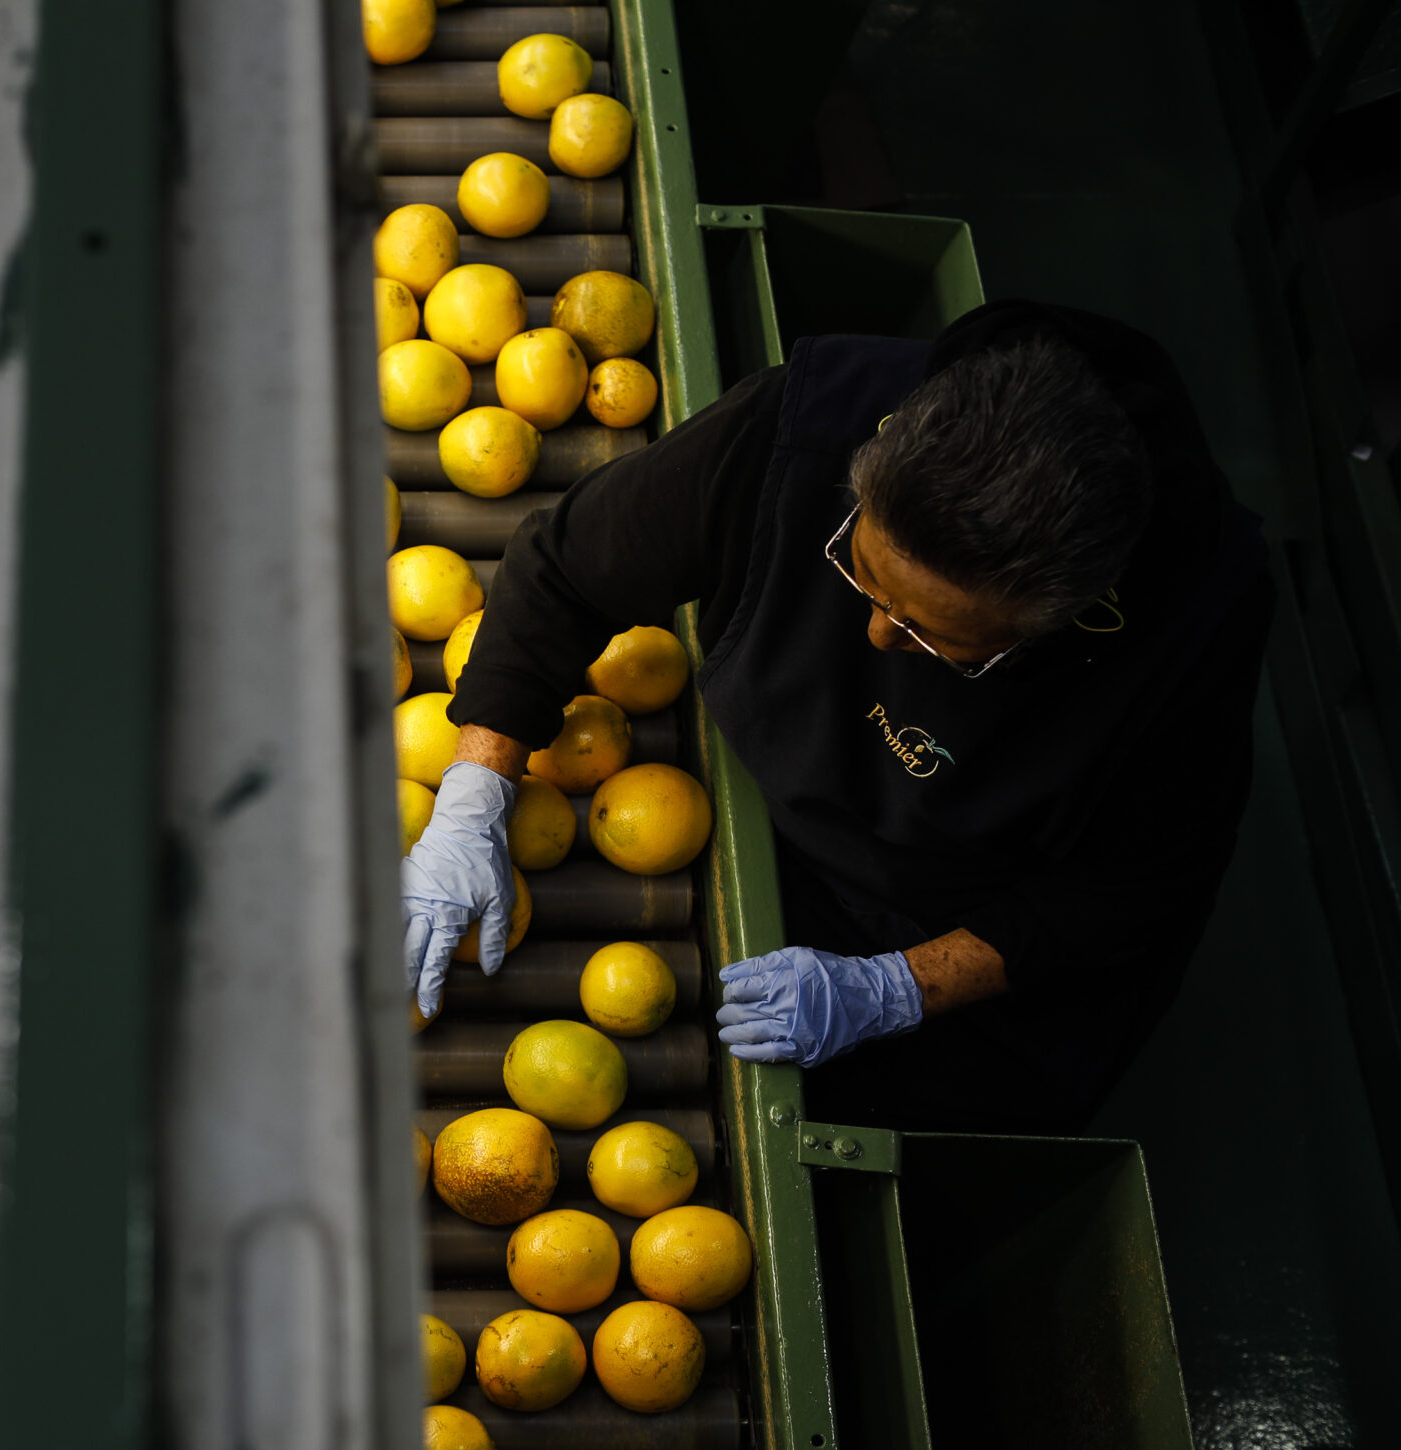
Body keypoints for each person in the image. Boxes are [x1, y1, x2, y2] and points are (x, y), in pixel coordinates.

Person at [403, 301, 1271, 1133]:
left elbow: (1128, 889)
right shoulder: (817, 419)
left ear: (1054, 619)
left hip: (953, 915)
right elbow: (565, 570)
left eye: (932, 636)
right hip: (729, 798)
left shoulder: (1191, 629)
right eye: (862, 572)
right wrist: (474, 796)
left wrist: (893, 989)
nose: (878, 632)